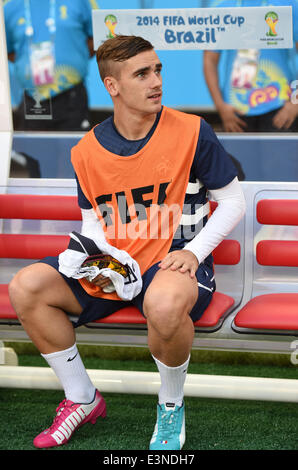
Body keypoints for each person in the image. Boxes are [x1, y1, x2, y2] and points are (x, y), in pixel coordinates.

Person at [8, 35, 246, 450]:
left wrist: (193, 252)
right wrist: (98, 261)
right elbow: (93, 219)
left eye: (158, 70)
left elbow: (232, 201)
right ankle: (82, 398)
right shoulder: (85, 150)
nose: (155, 81)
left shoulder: (192, 131)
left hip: (175, 263)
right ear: (112, 86)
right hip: (120, 266)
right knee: (26, 286)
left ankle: (170, 407)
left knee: (165, 302)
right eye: (142, 73)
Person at [203, 0, 298, 132]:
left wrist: (296, 102)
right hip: (236, 111)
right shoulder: (223, 9)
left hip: (280, 109)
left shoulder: (288, 6)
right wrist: (221, 106)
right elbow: (210, 61)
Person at [4, 0, 99, 131]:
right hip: (32, 96)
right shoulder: (9, 7)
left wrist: (75, 57)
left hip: (71, 95)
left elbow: (97, 37)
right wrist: (27, 65)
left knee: (74, 148)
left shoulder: (82, 2)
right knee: (31, 149)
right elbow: (6, 50)